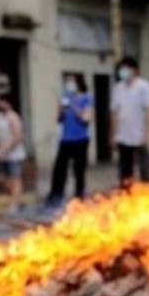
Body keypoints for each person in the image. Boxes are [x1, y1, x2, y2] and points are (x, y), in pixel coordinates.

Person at [45, 73, 93, 208]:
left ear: (78, 83)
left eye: (72, 81)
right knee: (59, 169)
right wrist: (60, 108)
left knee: (79, 169)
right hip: (66, 139)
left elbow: (86, 119)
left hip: (80, 139)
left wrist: (73, 106)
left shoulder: (86, 98)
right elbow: (58, 120)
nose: (69, 84)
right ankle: (55, 195)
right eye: (67, 82)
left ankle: (79, 195)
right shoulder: (64, 97)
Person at [110, 56, 149, 187]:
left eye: (126, 69)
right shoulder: (118, 88)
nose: (123, 72)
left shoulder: (144, 86)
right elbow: (114, 112)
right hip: (124, 137)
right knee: (125, 172)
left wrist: (148, 134)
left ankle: (147, 198)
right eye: (121, 69)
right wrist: (114, 135)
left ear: (134, 70)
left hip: (140, 137)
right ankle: (126, 198)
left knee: (145, 171)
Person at [0, 95, 27, 214]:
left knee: (15, 179)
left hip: (14, 155)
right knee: (6, 180)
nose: (0, 105)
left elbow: (17, 136)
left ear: (9, 104)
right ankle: (14, 200)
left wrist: (5, 150)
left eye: (3, 102)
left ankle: (14, 204)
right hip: (2, 154)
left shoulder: (13, 117)